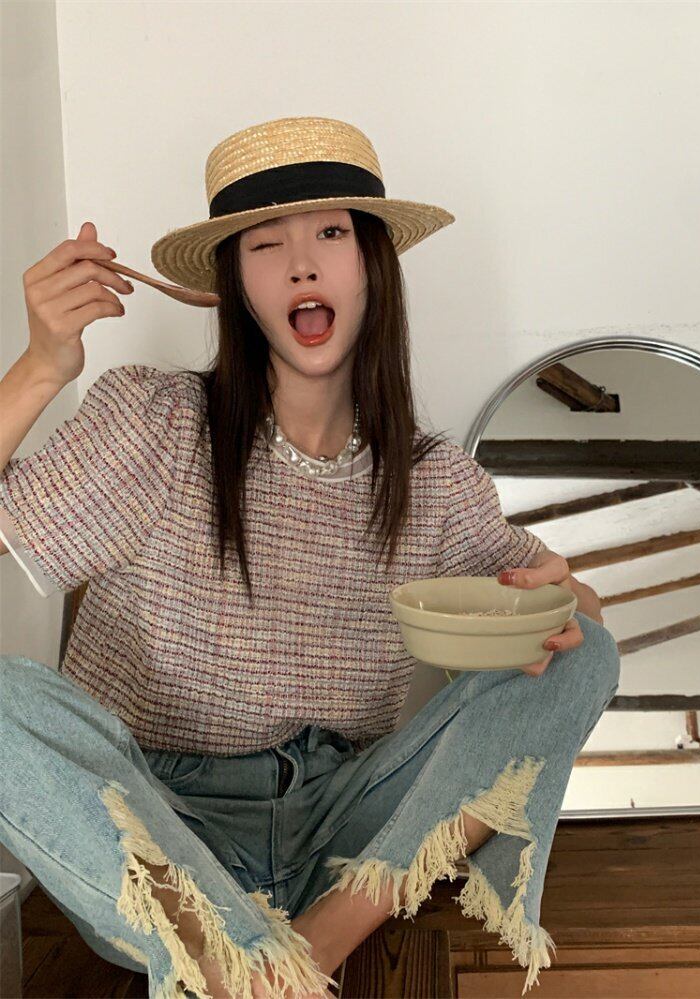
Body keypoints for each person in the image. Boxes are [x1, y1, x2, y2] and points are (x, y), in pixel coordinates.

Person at [0, 116, 620, 999]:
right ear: (235, 286)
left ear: (372, 265)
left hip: (348, 836)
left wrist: (564, 601)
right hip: (158, 835)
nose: (301, 265)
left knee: (590, 653)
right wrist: (39, 365)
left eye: (330, 232)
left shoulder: (433, 481)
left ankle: (302, 956)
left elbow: (574, 618)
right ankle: (242, 958)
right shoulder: (154, 422)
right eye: (266, 243)